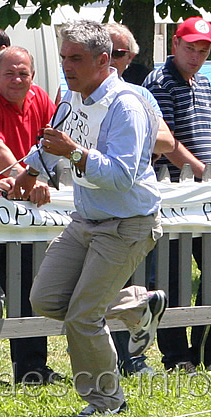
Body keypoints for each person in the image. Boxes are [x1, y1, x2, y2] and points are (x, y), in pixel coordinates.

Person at [10, 19, 166, 417]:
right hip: (86, 220)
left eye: (75, 58)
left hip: (128, 223)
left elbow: (120, 175)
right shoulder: (71, 94)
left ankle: (107, 403)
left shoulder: (125, 106)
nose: (66, 66)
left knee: (83, 317)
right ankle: (137, 304)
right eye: (63, 57)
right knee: (44, 298)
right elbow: (51, 141)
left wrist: (75, 152)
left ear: (102, 60)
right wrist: (26, 174)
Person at [0, 46, 63, 385]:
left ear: (33, 76)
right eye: (10, 73)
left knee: (29, 289)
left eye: (24, 73)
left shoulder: (41, 99)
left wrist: (34, 179)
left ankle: (32, 369)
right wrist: (28, 177)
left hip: (27, 212)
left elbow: (52, 142)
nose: (18, 80)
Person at [104, 23, 176, 377]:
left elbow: (166, 143)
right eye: (105, 53)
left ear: (130, 58)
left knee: (128, 279)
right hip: (88, 207)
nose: (111, 61)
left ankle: (132, 360)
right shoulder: (70, 92)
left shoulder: (139, 96)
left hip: (131, 208)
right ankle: (108, 363)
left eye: (119, 54)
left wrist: (127, 143)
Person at [143, 17, 211, 373]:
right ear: (174, 44)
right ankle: (176, 354)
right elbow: (166, 143)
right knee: (173, 278)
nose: (196, 57)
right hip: (173, 195)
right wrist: (203, 171)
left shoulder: (203, 84)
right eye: (190, 49)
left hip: (203, 195)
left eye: (203, 51)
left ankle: (203, 348)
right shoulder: (159, 81)